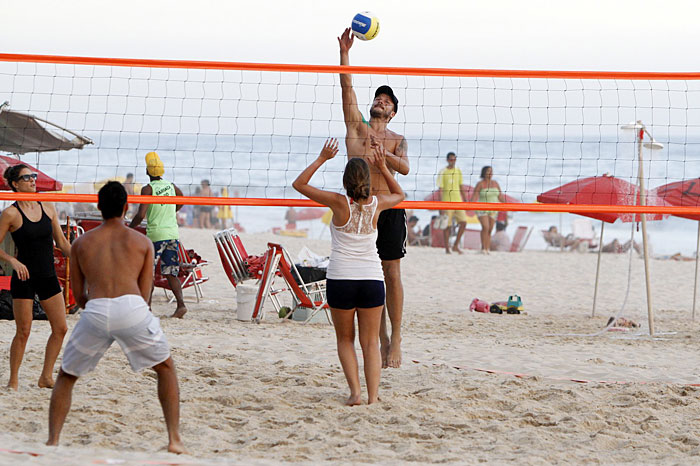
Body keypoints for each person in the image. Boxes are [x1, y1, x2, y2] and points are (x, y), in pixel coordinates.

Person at [46, 182, 185, 454]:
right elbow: (145, 295)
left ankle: (53, 441)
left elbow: (77, 294)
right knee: (165, 369)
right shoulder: (142, 241)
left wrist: (94, 308)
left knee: (65, 376)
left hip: (96, 309)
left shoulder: (82, 242)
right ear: (126, 207)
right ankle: (174, 440)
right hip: (132, 307)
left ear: (98, 207)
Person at [293, 138, 404, 404]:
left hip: (341, 280)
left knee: (345, 340)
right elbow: (400, 195)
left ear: (345, 181)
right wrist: (384, 167)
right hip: (370, 280)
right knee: (369, 344)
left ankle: (355, 393)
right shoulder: (376, 204)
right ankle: (372, 396)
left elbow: (299, 184)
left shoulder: (337, 201)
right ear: (367, 179)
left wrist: (322, 158)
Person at [338, 28, 409, 368]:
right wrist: (345, 53)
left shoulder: (397, 139)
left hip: (390, 209)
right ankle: (379, 338)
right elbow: (347, 88)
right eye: (378, 98)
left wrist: (385, 160)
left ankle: (395, 339)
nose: (381, 100)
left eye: (387, 100)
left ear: (393, 112)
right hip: (361, 212)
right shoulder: (358, 130)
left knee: (392, 274)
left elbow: (405, 170)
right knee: (370, 276)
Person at [0, 164, 71, 390]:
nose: (32, 180)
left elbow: (61, 243)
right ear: (15, 184)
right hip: (24, 277)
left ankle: (46, 377)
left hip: (47, 275)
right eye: (27, 177)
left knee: (60, 328)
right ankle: (13, 380)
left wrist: (82, 257)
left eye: (33, 176)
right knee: (24, 331)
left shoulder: (47, 206)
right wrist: (12, 261)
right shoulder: (10, 213)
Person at [129, 152, 187, 318]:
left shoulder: (148, 189)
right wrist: (171, 211)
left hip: (156, 235)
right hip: (172, 234)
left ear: (147, 171)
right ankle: (181, 305)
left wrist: (129, 228)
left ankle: (147, 308)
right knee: (170, 271)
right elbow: (181, 201)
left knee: (148, 273)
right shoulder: (172, 186)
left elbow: (140, 215)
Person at [437, 152, 468, 254]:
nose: (452, 161)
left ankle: (455, 245)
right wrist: (440, 205)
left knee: (463, 222)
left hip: (458, 201)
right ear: (447, 160)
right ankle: (447, 248)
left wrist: (466, 200)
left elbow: (461, 186)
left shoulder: (458, 171)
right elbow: (440, 189)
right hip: (446, 202)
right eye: (451, 159)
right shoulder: (443, 172)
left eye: (454, 159)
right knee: (447, 226)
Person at [471, 166, 505, 254]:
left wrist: (507, 205)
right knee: (485, 227)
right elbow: (475, 196)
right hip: (482, 208)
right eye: (488, 171)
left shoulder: (495, 183)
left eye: (491, 171)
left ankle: (487, 248)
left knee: (490, 229)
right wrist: (469, 205)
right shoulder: (480, 184)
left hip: (494, 209)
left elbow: (500, 196)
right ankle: (483, 248)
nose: (490, 173)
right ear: (484, 173)